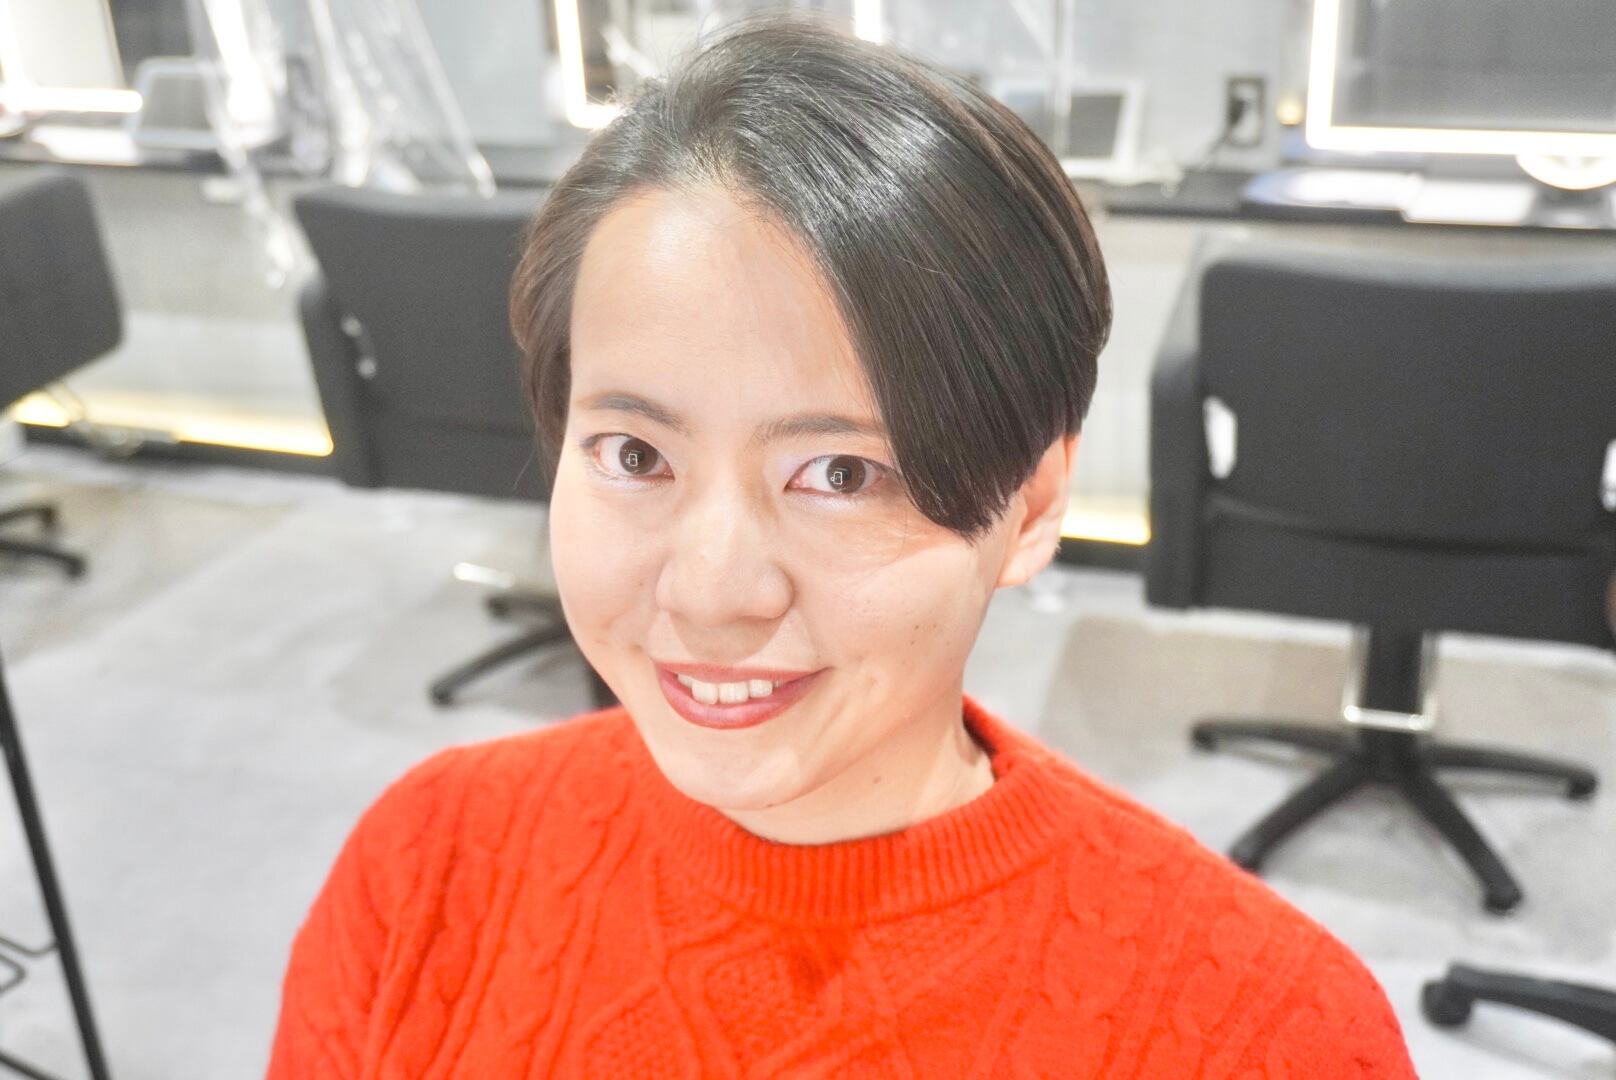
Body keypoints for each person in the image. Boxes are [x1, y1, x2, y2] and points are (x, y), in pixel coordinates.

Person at [267, 12, 1416, 1077]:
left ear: (1028, 506)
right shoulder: (427, 863)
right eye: (633, 453)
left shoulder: (1269, 1034)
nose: (710, 592)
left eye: (841, 474)